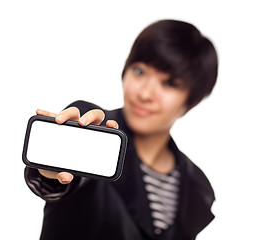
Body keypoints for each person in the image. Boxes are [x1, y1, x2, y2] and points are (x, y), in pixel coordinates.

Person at [25, 19, 218, 240]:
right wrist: (55, 169)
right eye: (139, 71)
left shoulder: (198, 187)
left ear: (190, 100)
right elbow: (67, 180)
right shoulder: (92, 128)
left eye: (169, 84)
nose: (145, 94)